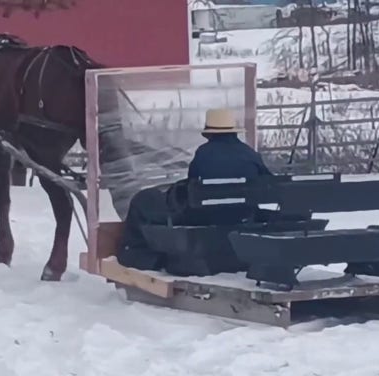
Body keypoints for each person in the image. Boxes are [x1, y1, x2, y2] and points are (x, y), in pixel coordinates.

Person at [116, 108, 273, 271]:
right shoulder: (250, 154)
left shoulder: (204, 154)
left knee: (143, 199)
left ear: (209, 133)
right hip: (242, 217)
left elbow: (193, 187)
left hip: (204, 218)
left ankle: (135, 255)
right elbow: (269, 183)